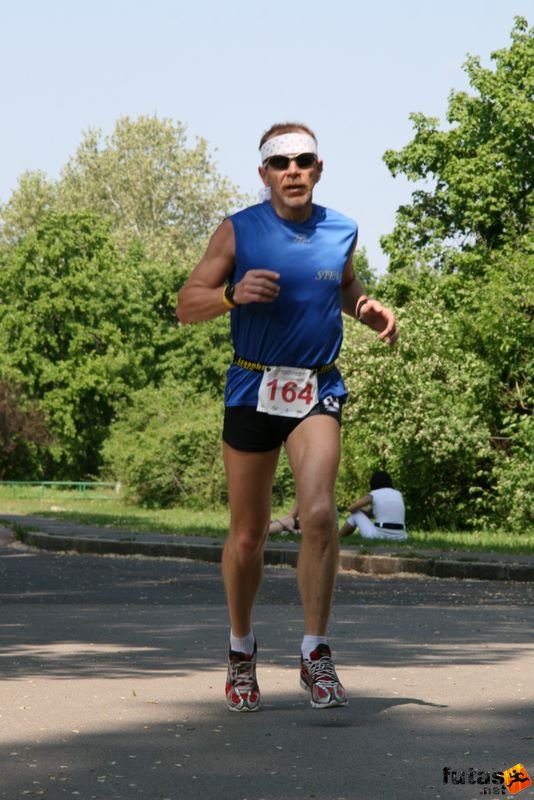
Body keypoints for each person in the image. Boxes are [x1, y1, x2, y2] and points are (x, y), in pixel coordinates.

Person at [176, 122, 398, 713]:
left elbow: (344, 287)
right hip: (253, 383)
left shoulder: (341, 230)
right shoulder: (238, 231)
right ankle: (241, 651)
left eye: (304, 161)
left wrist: (366, 308)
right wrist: (230, 295)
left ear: (319, 170)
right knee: (247, 537)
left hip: (316, 388)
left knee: (321, 514)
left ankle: (315, 651)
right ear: (265, 174)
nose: (293, 171)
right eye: (281, 163)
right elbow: (185, 303)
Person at [339, 470, 407, 541]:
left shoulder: (374, 494)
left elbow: (351, 508)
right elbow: (383, 513)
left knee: (355, 514)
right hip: (401, 536)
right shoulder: (398, 494)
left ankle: (339, 537)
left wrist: (361, 511)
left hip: (380, 536)